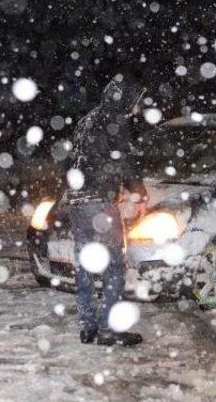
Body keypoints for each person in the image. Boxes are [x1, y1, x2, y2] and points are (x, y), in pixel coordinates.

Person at [66, 74, 148, 346]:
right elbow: (122, 159)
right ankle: (110, 328)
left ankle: (88, 326)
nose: (137, 109)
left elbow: (71, 162)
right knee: (113, 264)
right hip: (99, 202)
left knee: (85, 265)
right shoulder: (115, 120)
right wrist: (139, 193)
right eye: (137, 102)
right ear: (125, 98)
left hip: (76, 201)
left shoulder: (86, 120)